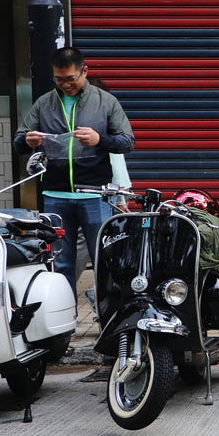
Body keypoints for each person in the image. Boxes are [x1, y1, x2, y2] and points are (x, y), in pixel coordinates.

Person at [13, 46, 134, 300]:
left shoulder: (105, 101)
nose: (66, 84)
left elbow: (127, 141)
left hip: (94, 195)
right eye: (59, 79)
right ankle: (64, 324)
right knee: (59, 264)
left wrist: (99, 139)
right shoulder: (44, 103)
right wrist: (29, 141)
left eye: (71, 78)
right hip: (55, 195)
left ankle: (108, 318)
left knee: (105, 261)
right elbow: (18, 143)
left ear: (84, 71)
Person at [74, 77, 133, 283]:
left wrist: (120, 200)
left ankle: (72, 283)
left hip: (104, 194)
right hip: (99, 193)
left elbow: (116, 163)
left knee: (97, 242)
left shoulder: (99, 127)